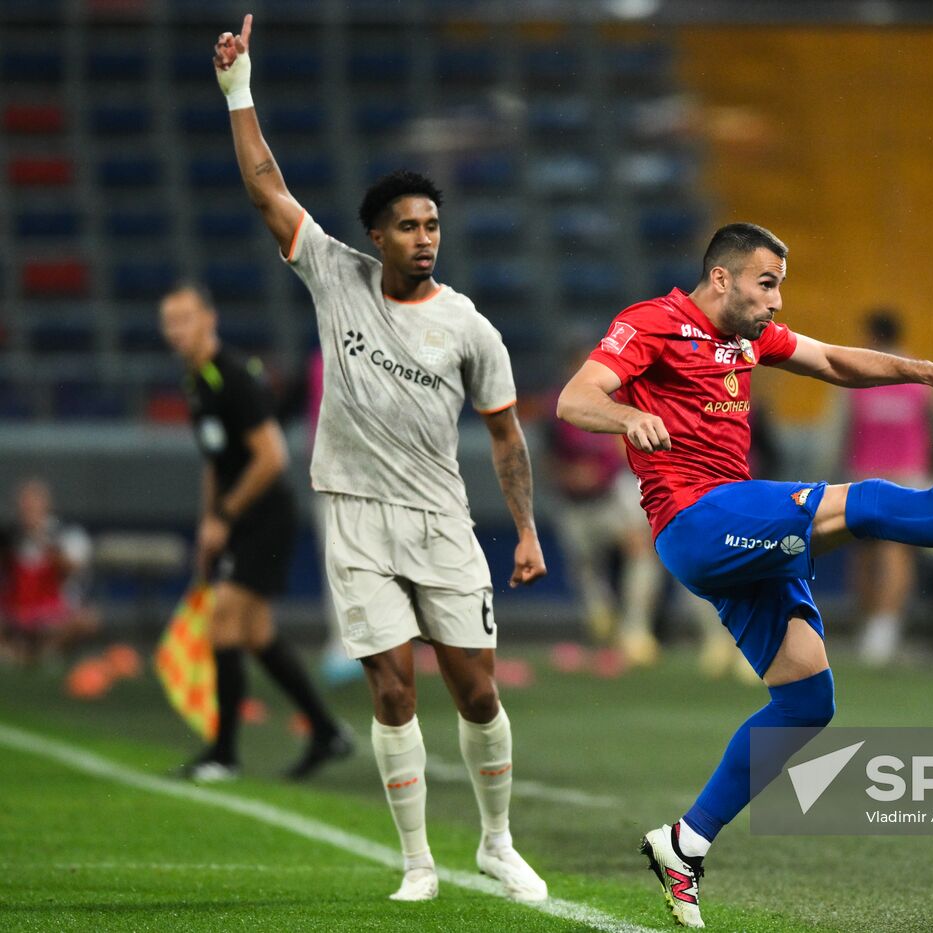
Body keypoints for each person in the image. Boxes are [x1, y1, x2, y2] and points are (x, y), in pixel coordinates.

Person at [556, 222, 933, 928]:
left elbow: (833, 360)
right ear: (721, 279)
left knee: (806, 702)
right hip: (697, 518)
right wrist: (625, 417)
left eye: (781, 285)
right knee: (867, 500)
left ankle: (684, 842)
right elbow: (574, 398)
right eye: (765, 283)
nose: (776, 301)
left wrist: (922, 371)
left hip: (734, 524)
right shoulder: (651, 323)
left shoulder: (746, 337)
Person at [213, 15, 548, 903]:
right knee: (393, 690)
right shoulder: (335, 273)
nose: (425, 236)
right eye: (407, 226)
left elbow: (506, 435)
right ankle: (417, 863)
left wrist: (523, 529)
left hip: (443, 521)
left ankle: (496, 842)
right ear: (375, 235)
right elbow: (264, 186)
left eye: (433, 223)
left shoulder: (470, 324)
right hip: (355, 514)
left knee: (477, 691)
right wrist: (238, 90)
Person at [159, 282, 353, 782]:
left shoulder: (231, 377)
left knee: (224, 623)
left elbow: (272, 457)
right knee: (257, 633)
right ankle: (326, 731)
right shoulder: (196, 380)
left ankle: (223, 754)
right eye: (169, 322)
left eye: (184, 319)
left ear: (209, 318)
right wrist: (210, 520)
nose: (175, 331)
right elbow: (215, 462)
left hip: (266, 519)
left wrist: (224, 517)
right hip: (240, 519)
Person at [834, 309, 933, 665]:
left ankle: (881, 626)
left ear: (876, 337)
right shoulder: (916, 375)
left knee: (884, 552)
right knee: (874, 553)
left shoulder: (863, 371)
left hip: (878, 474)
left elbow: (840, 428)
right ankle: (876, 625)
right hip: (896, 473)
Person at [548, 344, 665, 666]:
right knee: (585, 568)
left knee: (641, 551)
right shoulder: (557, 407)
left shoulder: (618, 398)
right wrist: (571, 475)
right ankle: (602, 616)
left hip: (615, 494)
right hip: (573, 504)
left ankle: (635, 630)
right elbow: (547, 460)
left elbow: (627, 445)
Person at [0, 479, 98, 665]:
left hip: (52, 612)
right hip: (16, 610)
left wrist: (44, 541)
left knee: (87, 620)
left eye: (33, 503)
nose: (28, 509)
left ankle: (45, 654)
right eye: (24, 503)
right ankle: (15, 655)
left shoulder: (65, 534)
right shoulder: (9, 537)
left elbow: (74, 569)